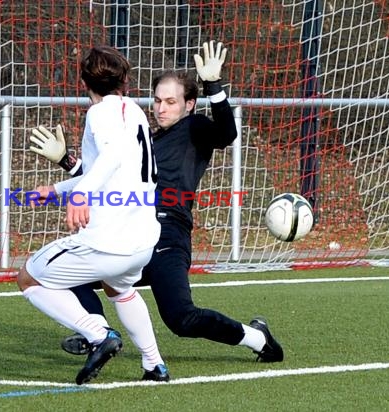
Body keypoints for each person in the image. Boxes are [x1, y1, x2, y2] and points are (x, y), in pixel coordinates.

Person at [29, 40, 284, 363]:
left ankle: (257, 338)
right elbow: (110, 179)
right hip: (134, 230)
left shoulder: (194, 128)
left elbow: (226, 134)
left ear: (189, 104)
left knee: (182, 319)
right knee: (69, 274)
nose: (161, 108)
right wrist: (67, 163)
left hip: (167, 236)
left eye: (171, 101)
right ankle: (99, 334)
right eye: (157, 100)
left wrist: (213, 86)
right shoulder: (144, 136)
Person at [18, 45, 170, 385]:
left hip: (108, 241)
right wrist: (59, 190)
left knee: (28, 278)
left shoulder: (99, 113)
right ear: (126, 81)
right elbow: (113, 167)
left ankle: (98, 335)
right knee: (120, 290)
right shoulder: (134, 110)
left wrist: (82, 194)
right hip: (142, 240)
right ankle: (154, 365)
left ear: (84, 82)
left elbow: (112, 157)